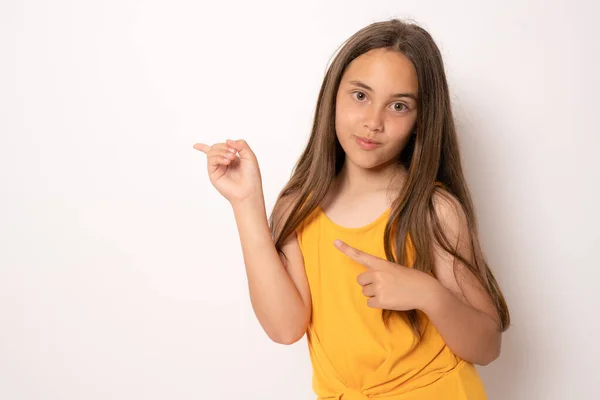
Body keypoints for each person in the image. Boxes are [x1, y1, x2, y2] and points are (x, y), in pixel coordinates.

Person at [194, 18, 510, 400]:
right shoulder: (299, 207)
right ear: (333, 96)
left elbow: (487, 346)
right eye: (360, 96)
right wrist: (246, 205)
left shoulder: (433, 210)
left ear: (420, 120)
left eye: (398, 106)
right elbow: (285, 328)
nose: (372, 122)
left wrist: (428, 294)